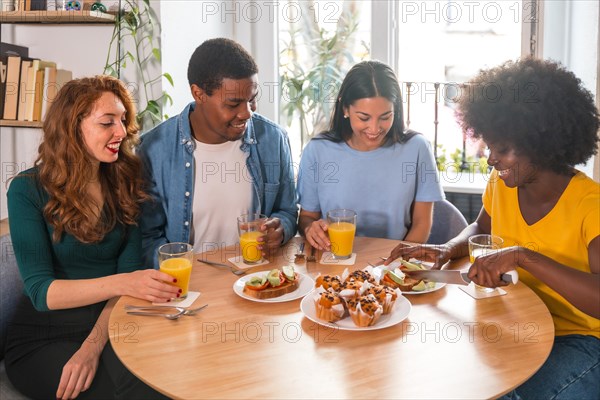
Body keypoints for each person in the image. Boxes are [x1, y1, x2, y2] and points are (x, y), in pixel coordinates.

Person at [386, 58, 600, 399]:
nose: (490, 160)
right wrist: (448, 248)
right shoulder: (503, 185)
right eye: (489, 147)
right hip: (515, 320)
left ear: (540, 143)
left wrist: (523, 257)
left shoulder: (591, 205)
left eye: (502, 149)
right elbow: (479, 228)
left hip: (580, 339)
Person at [5, 76, 176, 399]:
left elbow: (125, 284)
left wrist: (93, 346)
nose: (121, 132)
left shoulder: (123, 182)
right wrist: (124, 283)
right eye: (107, 122)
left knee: (162, 380)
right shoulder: (26, 190)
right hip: (43, 337)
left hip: (108, 325)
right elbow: (42, 292)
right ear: (73, 128)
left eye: (123, 120)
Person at [138, 38, 297, 268]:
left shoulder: (273, 139)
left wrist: (281, 229)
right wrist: (180, 270)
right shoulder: (154, 150)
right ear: (198, 94)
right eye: (233, 104)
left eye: (252, 100)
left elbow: (288, 210)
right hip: (190, 285)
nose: (247, 113)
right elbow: (147, 237)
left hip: (255, 277)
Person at [297, 60, 444, 251]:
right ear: (345, 109)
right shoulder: (318, 150)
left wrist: (394, 264)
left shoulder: (416, 148)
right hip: (334, 261)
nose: (374, 129)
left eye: (385, 117)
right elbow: (307, 217)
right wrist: (310, 228)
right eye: (364, 118)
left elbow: (422, 224)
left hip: (393, 264)